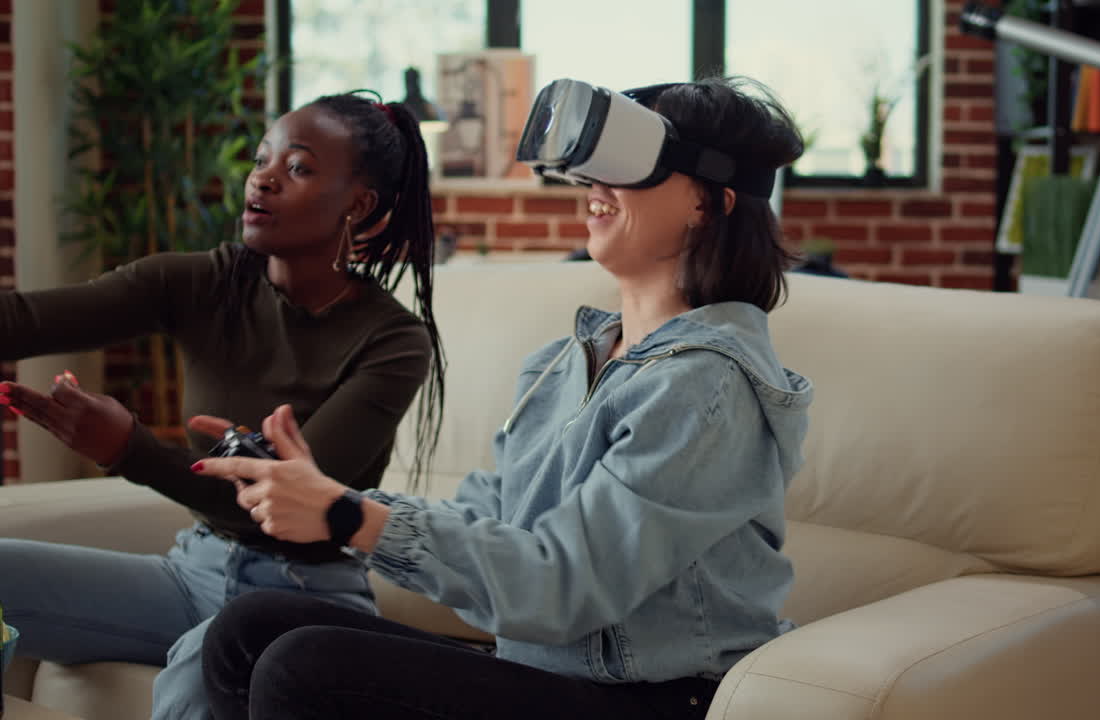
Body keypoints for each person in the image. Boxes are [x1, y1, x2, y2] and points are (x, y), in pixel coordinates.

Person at [193, 75, 813, 720]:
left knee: (307, 668)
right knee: (252, 627)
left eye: (628, 168)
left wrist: (350, 518)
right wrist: (335, 499)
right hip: (541, 676)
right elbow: (488, 527)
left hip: (652, 699)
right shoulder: (562, 364)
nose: (595, 190)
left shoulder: (706, 384)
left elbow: (561, 588)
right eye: (592, 170)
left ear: (709, 204)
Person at [0, 92, 445, 720]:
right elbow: (23, 321)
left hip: (305, 598)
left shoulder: (393, 341)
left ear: (359, 203)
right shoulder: (203, 284)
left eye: (298, 167)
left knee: (197, 671)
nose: (262, 177)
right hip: (192, 570)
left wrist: (127, 449)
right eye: (262, 160)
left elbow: (284, 505)